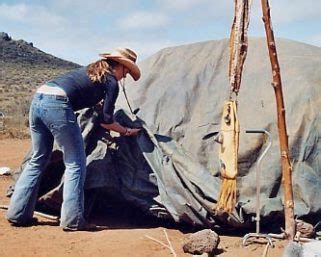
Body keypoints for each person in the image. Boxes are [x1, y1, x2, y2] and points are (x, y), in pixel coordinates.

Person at [6, 47, 141, 231]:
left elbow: (82, 93)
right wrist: (127, 131)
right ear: (120, 66)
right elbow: (107, 121)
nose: (124, 77)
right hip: (58, 105)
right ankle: (73, 220)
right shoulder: (111, 82)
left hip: (39, 99)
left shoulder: (91, 71)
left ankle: (18, 214)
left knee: (38, 159)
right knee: (76, 163)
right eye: (126, 72)